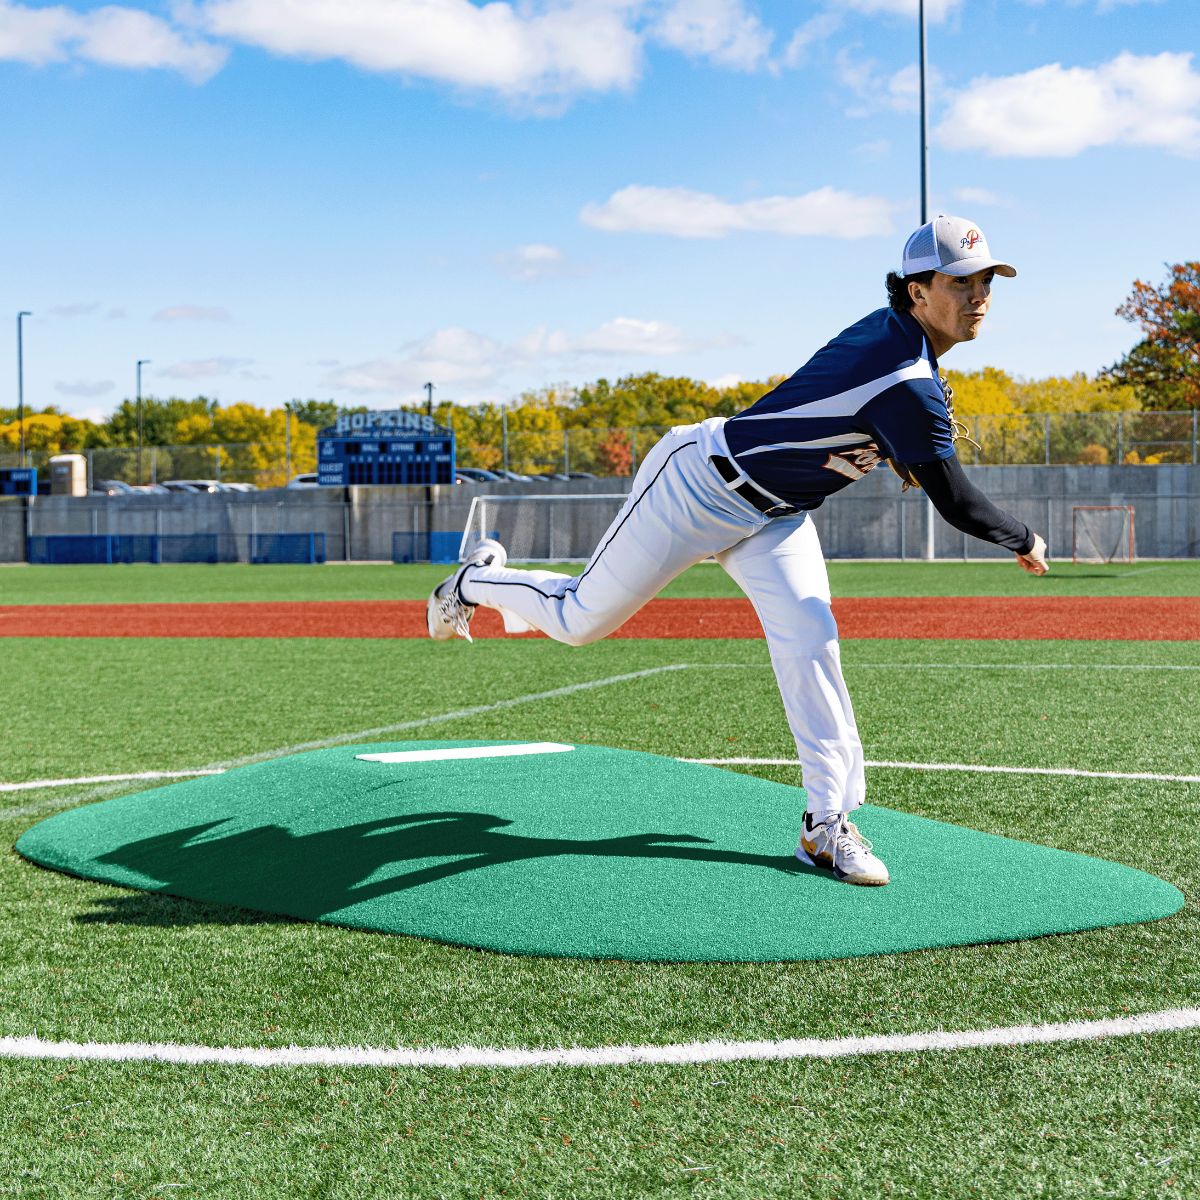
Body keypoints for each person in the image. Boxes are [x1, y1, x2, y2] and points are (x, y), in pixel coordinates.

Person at [426, 214, 1048, 887]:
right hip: (697, 485)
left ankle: (825, 825)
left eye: (986, 278)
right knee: (580, 620)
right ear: (918, 290)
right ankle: (472, 582)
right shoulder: (905, 378)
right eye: (961, 280)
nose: (979, 292)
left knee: (811, 637)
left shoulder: (903, 346)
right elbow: (956, 502)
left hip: (775, 515)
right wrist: (1024, 538)